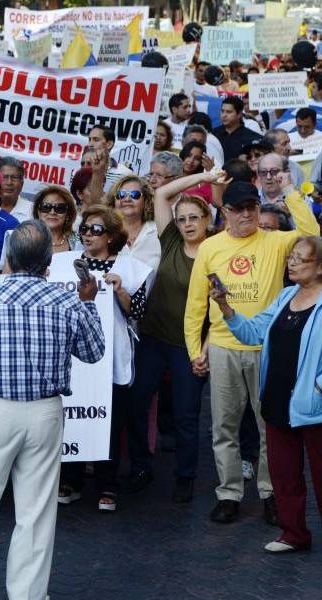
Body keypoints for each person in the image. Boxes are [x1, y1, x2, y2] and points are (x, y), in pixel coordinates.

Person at [0, 220, 104, 600]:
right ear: (48, 262)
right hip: (44, 413)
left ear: (7, 258)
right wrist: (89, 303)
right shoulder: (66, 300)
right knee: (36, 514)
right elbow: (93, 353)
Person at [184, 180, 319, 525]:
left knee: (267, 428)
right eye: (238, 208)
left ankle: (269, 492)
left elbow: (312, 233)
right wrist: (193, 349)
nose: (246, 213)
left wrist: (289, 191)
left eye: (252, 207)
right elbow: (196, 303)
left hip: (267, 348)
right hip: (224, 347)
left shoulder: (276, 241)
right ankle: (229, 493)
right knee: (223, 427)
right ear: (225, 212)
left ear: (259, 208)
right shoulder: (211, 247)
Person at [211, 236, 322, 553]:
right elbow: (253, 332)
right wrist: (225, 306)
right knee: (284, 475)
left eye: (301, 258)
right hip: (275, 401)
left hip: (314, 406)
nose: (293, 262)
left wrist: (318, 388)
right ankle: (294, 534)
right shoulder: (286, 296)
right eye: (292, 257)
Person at [125, 169, 220, 501]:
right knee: (137, 403)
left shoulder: (217, 251)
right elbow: (163, 192)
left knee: (185, 413)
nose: (188, 224)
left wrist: (204, 351)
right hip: (153, 338)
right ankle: (140, 465)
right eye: (182, 219)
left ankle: (186, 476)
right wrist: (204, 175)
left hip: (188, 346)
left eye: (194, 217)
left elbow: (220, 309)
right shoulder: (171, 239)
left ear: (207, 218)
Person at [57, 205, 151, 512]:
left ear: (110, 236)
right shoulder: (64, 264)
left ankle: (107, 484)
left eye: (95, 229)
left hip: (112, 353)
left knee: (109, 419)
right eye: (84, 229)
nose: (87, 235)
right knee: (71, 414)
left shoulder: (129, 266)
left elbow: (136, 311)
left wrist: (120, 289)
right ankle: (70, 479)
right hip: (72, 351)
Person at [110, 175, 162, 272]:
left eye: (135, 195)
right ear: (113, 202)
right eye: (121, 195)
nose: (127, 199)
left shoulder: (159, 231)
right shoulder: (103, 233)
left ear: (146, 200)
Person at [213, 96, 263, 162]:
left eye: (229, 112)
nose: (224, 115)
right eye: (222, 111)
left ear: (239, 114)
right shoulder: (213, 135)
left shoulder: (252, 138)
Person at [0, 156, 33, 222]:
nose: (9, 182)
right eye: (4, 177)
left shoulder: (33, 211)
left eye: (14, 177)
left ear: (22, 184)